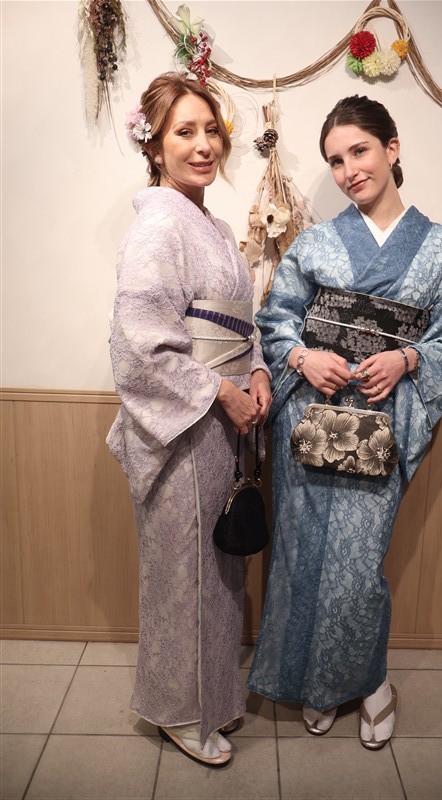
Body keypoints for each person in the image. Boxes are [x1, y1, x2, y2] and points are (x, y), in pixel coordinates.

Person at [247, 94, 442, 750]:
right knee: (299, 555)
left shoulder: (440, 249)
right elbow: (276, 317)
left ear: (391, 148)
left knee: (358, 565)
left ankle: (369, 682)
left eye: (359, 151)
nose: (349, 170)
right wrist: (302, 356)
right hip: (310, 414)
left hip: (382, 422)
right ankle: (312, 686)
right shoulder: (317, 243)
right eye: (335, 161)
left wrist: (407, 358)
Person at [106, 72, 271, 767]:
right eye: (184, 132)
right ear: (154, 146)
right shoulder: (157, 228)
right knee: (183, 574)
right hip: (185, 429)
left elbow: (238, 326)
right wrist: (220, 391)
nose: (203, 145)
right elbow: (139, 344)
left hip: (220, 423)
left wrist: (256, 370)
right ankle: (178, 710)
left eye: (211, 131)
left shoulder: (216, 228)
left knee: (218, 571)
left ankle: (213, 697)